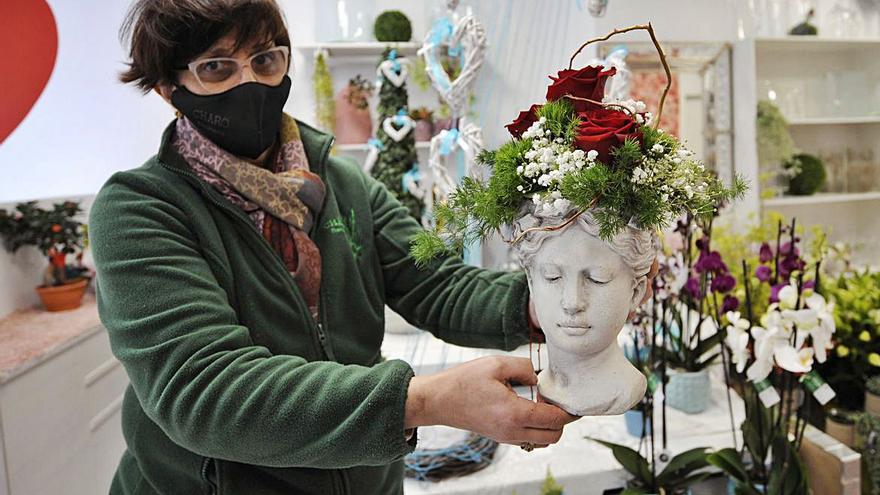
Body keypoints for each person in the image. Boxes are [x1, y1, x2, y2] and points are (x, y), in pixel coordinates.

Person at [90, 1, 654, 494]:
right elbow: (206, 390)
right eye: (217, 67)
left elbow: (436, 282)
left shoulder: (340, 184)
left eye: (266, 59)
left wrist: (551, 299)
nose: (252, 84)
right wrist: (424, 401)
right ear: (169, 88)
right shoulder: (142, 210)